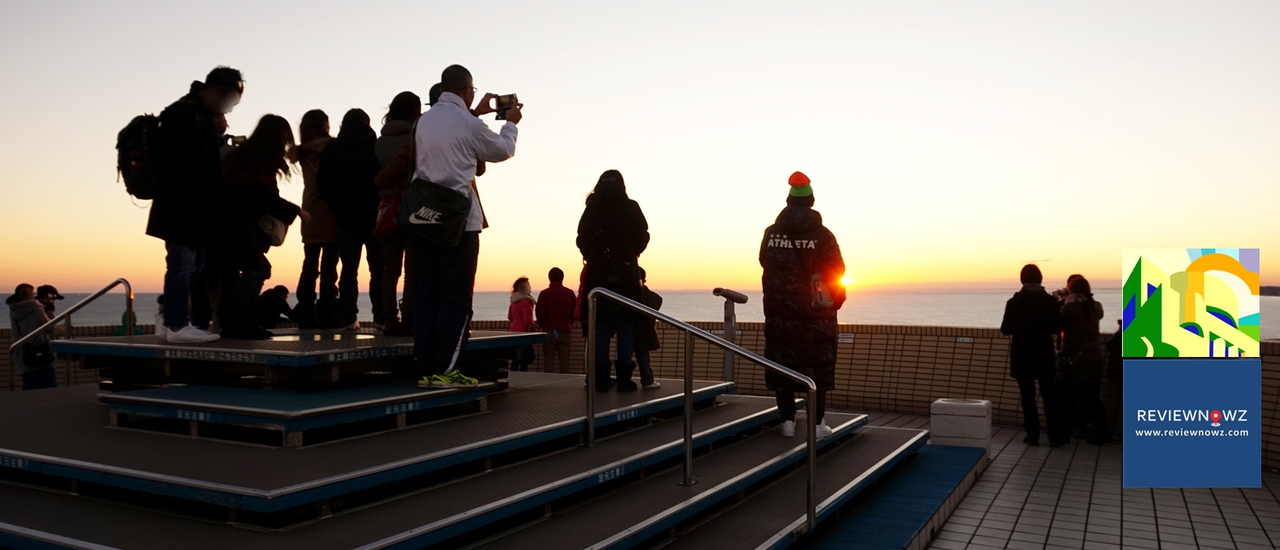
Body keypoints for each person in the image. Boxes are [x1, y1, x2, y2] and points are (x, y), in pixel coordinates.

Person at [410, 65, 521, 388]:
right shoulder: (468, 123)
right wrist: (510, 124)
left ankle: (425, 368)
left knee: (426, 293)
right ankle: (445, 370)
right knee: (456, 297)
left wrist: (477, 110)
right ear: (467, 90)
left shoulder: (424, 122)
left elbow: (453, 127)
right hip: (459, 222)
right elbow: (503, 150)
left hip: (422, 218)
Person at [147, 66, 244, 344]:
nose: (230, 107)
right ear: (215, 91)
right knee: (183, 266)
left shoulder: (196, 113)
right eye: (230, 100)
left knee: (193, 267)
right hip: (183, 204)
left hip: (190, 205)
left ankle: (175, 324)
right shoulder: (185, 114)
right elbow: (182, 162)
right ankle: (178, 325)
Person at [759, 172, 845, 439]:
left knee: (783, 363)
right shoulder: (823, 235)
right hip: (816, 313)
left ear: (788, 200)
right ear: (811, 200)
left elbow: (765, 262)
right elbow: (837, 271)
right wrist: (835, 302)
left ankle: (786, 422)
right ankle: (817, 425)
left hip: (780, 313)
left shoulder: (771, 233)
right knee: (816, 367)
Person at [213, 114, 304, 339]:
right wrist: (297, 210)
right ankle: (241, 325)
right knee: (258, 268)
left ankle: (229, 325)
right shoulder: (258, 160)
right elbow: (261, 193)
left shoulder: (239, 156)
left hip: (220, 223)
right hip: (240, 222)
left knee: (230, 273)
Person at [578, 170, 649, 392]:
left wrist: (595, 256)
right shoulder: (631, 207)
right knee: (626, 325)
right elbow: (643, 235)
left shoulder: (592, 209)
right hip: (626, 274)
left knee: (601, 326)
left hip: (597, 275)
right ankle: (624, 378)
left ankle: (600, 378)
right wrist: (629, 254)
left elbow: (581, 238)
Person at [319, 109, 385, 331]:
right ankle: (381, 317)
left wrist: (339, 205)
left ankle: (348, 318)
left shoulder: (333, 150)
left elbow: (324, 185)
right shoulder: (376, 147)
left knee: (348, 270)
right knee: (379, 269)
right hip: (376, 216)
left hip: (346, 217)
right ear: (367, 123)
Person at [999, 264, 1066, 447]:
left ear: (1022, 280)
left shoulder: (1014, 302)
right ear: (1040, 279)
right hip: (1044, 352)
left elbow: (1006, 329)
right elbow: (1057, 328)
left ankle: (1032, 435)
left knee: (1027, 395)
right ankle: (1054, 435)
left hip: (1022, 353)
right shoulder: (1050, 302)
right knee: (1049, 395)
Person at [375, 92, 422, 337]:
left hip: (387, 207)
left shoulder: (380, 140)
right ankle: (408, 320)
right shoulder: (417, 135)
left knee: (389, 269)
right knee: (412, 268)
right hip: (412, 207)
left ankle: (389, 320)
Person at [294, 109, 340, 329]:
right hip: (330, 209)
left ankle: (305, 312)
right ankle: (327, 312)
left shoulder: (302, 153)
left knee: (309, 266)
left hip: (309, 210)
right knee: (330, 267)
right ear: (325, 124)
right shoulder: (333, 148)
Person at [1059, 276, 1109, 445]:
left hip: (1073, 361)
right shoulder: (1096, 306)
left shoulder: (1069, 308)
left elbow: (1058, 325)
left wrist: (1061, 301)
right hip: (1094, 360)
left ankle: (1064, 435)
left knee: (1066, 400)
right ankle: (1103, 433)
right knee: (1093, 399)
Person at [7, 284, 58, 389]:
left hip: (24, 353)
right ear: (30, 294)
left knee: (29, 388)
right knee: (49, 389)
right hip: (41, 355)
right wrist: (50, 312)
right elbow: (50, 328)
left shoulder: (14, 310)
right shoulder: (35, 308)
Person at [535, 267, 576, 374]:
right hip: (564, 331)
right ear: (562, 278)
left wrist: (543, 325)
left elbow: (539, 313)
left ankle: (549, 384)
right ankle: (564, 384)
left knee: (549, 360)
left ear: (549, 278)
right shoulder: (570, 293)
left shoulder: (544, 294)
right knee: (564, 361)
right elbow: (574, 312)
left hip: (549, 331)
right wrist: (568, 323)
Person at [634, 269, 662, 389]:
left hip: (631, 328)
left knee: (625, 353)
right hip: (645, 330)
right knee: (643, 355)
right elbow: (658, 301)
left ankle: (623, 379)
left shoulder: (629, 295)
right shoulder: (651, 297)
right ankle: (647, 380)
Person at [508, 277, 537, 372]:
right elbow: (527, 320)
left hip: (513, 332)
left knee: (516, 358)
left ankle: (513, 377)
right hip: (523, 334)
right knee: (525, 359)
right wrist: (533, 331)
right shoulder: (526, 302)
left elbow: (510, 316)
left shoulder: (513, 301)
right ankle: (522, 377)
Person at [1104, 319, 1123, 444]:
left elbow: (1109, 345)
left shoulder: (1118, 338)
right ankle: (1119, 433)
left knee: (1113, 402)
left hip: (1116, 372)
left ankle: (1107, 431)